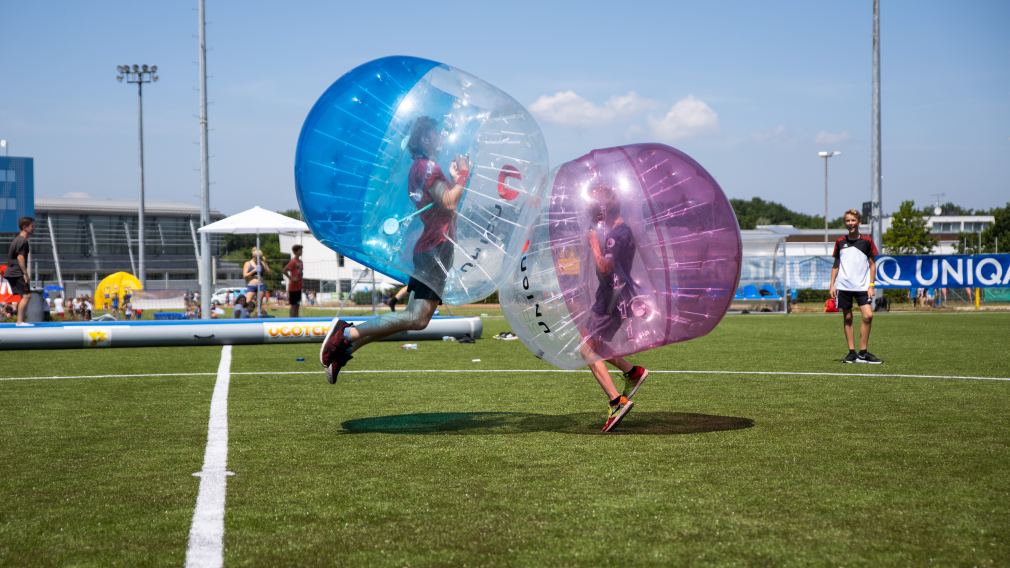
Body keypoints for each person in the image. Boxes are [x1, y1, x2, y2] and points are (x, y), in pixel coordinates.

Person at [320, 115, 470, 383]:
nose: (444, 137)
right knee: (416, 318)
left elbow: (446, 208)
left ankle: (345, 348)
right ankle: (344, 335)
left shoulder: (424, 168)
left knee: (415, 319)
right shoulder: (426, 167)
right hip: (434, 248)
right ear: (426, 138)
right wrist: (464, 178)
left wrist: (456, 179)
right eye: (439, 133)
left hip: (436, 247)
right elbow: (448, 202)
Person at [579, 184, 649, 433]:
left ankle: (616, 401)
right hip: (611, 296)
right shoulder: (622, 231)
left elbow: (605, 267)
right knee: (591, 341)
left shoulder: (616, 235)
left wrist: (593, 244)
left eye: (597, 210)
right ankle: (632, 372)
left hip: (613, 298)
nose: (595, 216)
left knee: (587, 349)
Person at [828, 208, 882, 364]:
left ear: (859, 222)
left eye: (853, 220)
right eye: (847, 221)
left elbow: (872, 265)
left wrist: (871, 285)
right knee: (848, 317)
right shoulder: (840, 242)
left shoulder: (867, 241)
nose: (850, 223)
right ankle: (852, 353)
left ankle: (863, 352)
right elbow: (836, 265)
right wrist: (832, 285)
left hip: (862, 287)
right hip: (843, 286)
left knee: (868, 315)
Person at [4, 217, 35, 326]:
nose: (33, 228)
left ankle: (18, 317)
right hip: (16, 272)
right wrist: (25, 274)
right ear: (24, 227)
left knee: (23, 296)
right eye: (32, 226)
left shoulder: (17, 239)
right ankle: (20, 322)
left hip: (12, 272)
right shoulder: (22, 241)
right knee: (27, 296)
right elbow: (20, 258)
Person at [243, 247, 271, 316]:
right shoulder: (248, 263)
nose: (259, 259)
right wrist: (253, 271)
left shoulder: (262, 263)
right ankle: (246, 315)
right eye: (258, 257)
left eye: (260, 257)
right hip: (251, 285)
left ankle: (258, 316)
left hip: (261, 285)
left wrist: (264, 262)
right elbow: (245, 275)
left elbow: (269, 272)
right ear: (254, 256)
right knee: (248, 302)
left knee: (259, 303)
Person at [282, 244, 304, 318]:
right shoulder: (293, 261)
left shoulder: (300, 262)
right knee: (293, 305)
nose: (301, 251)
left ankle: (296, 318)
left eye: (301, 250)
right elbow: (284, 270)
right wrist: (291, 278)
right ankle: (292, 319)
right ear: (295, 252)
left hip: (299, 286)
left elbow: (300, 273)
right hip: (293, 287)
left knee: (297, 304)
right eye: (300, 250)